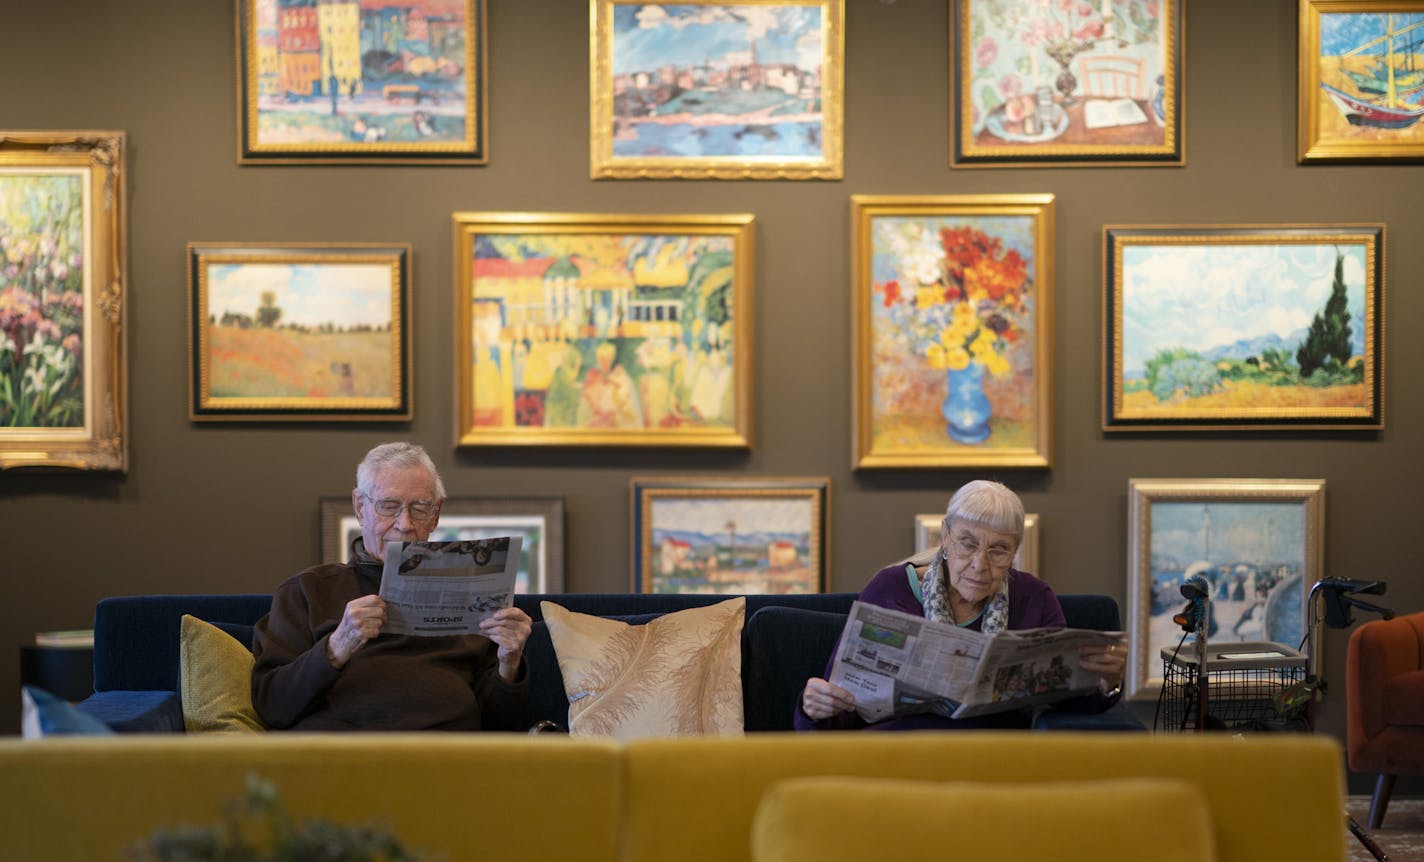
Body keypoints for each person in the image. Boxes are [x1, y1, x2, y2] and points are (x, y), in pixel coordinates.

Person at [795, 480, 1126, 731]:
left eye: (998, 550)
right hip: (898, 754)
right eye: (967, 544)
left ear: (1014, 552)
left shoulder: (1035, 597)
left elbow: (1067, 701)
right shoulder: (890, 587)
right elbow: (839, 705)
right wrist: (814, 706)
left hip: (995, 757)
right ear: (945, 537)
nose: (979, 565)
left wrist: (1105, 682)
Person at [252, 442, 532, 731]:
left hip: (448, 757)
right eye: (389, 506)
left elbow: (503, 729)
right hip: (345, 757)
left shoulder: (475, 594)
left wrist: (509, 663)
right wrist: (338, 645)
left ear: (436, 514)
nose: (405, 524)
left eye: (420, 508)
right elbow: (273, 706)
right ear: (360, 508)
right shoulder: (309, 591)